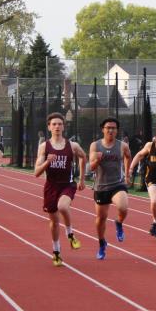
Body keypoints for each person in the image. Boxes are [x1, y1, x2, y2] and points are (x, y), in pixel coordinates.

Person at [34, 113, 87, 266]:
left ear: (64, 127)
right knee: (54, 222)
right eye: (54, 124)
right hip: (51, 187)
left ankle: (70, 234)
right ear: (49, 127)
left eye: (59, 124)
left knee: (62, 206)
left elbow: (83, 157)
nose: (57, 126)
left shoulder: (72, 146)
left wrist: (82, 179)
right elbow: (36, 173)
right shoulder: (44, 147)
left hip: (67, 185)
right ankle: (56, 252)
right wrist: (47, 162)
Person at [89, 118, 132, 260]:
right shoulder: (95, 145)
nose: (111, 130)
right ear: (103, 129)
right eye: (108, 128)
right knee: (101, 218)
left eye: (113, 128)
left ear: (117, 130)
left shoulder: (122, 145)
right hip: (101, 186)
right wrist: (97, 160)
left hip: (117, 184)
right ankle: (102, 243)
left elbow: (128, 157)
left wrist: (127, 174)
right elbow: (92, 167)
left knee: (123, 207)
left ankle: (119, 222)